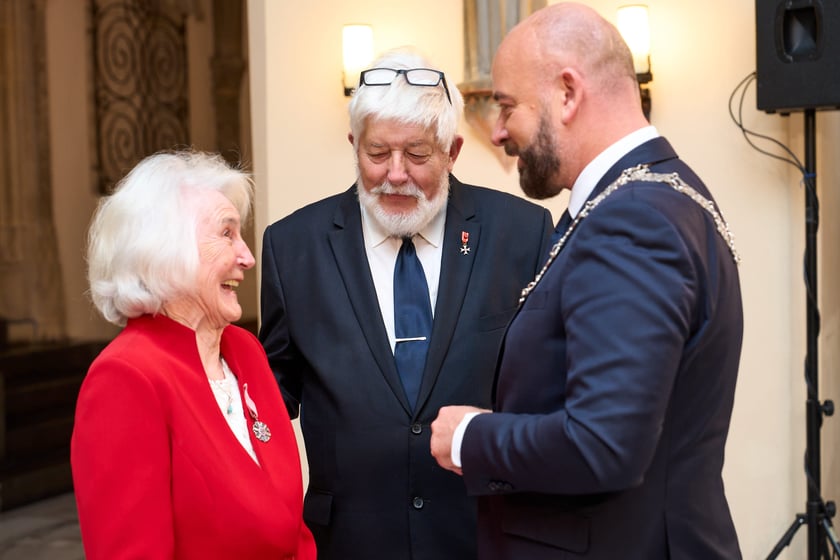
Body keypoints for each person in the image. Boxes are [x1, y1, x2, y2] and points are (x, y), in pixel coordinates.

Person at [430, 3, 744, 559]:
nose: (499, 132)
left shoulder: (632, 218)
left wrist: (471, 437)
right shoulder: (655, 194)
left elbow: (604, 443)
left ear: (567, 94)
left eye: (507, 106)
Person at [259, 47, 553, 560]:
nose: (395, 174)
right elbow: (272, 394)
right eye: (377, 154)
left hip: (485, 534)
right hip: (348, 539)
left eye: (417, 155)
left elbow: (548, 387)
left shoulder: (521, 234)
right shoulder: (291, 247)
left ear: (452, 150)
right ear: (354, 145)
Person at [71, 150, 316, 560]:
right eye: (226, 234)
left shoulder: (244, 350)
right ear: (166, 250)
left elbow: (291, 527)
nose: (247, 257)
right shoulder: (126, 377)